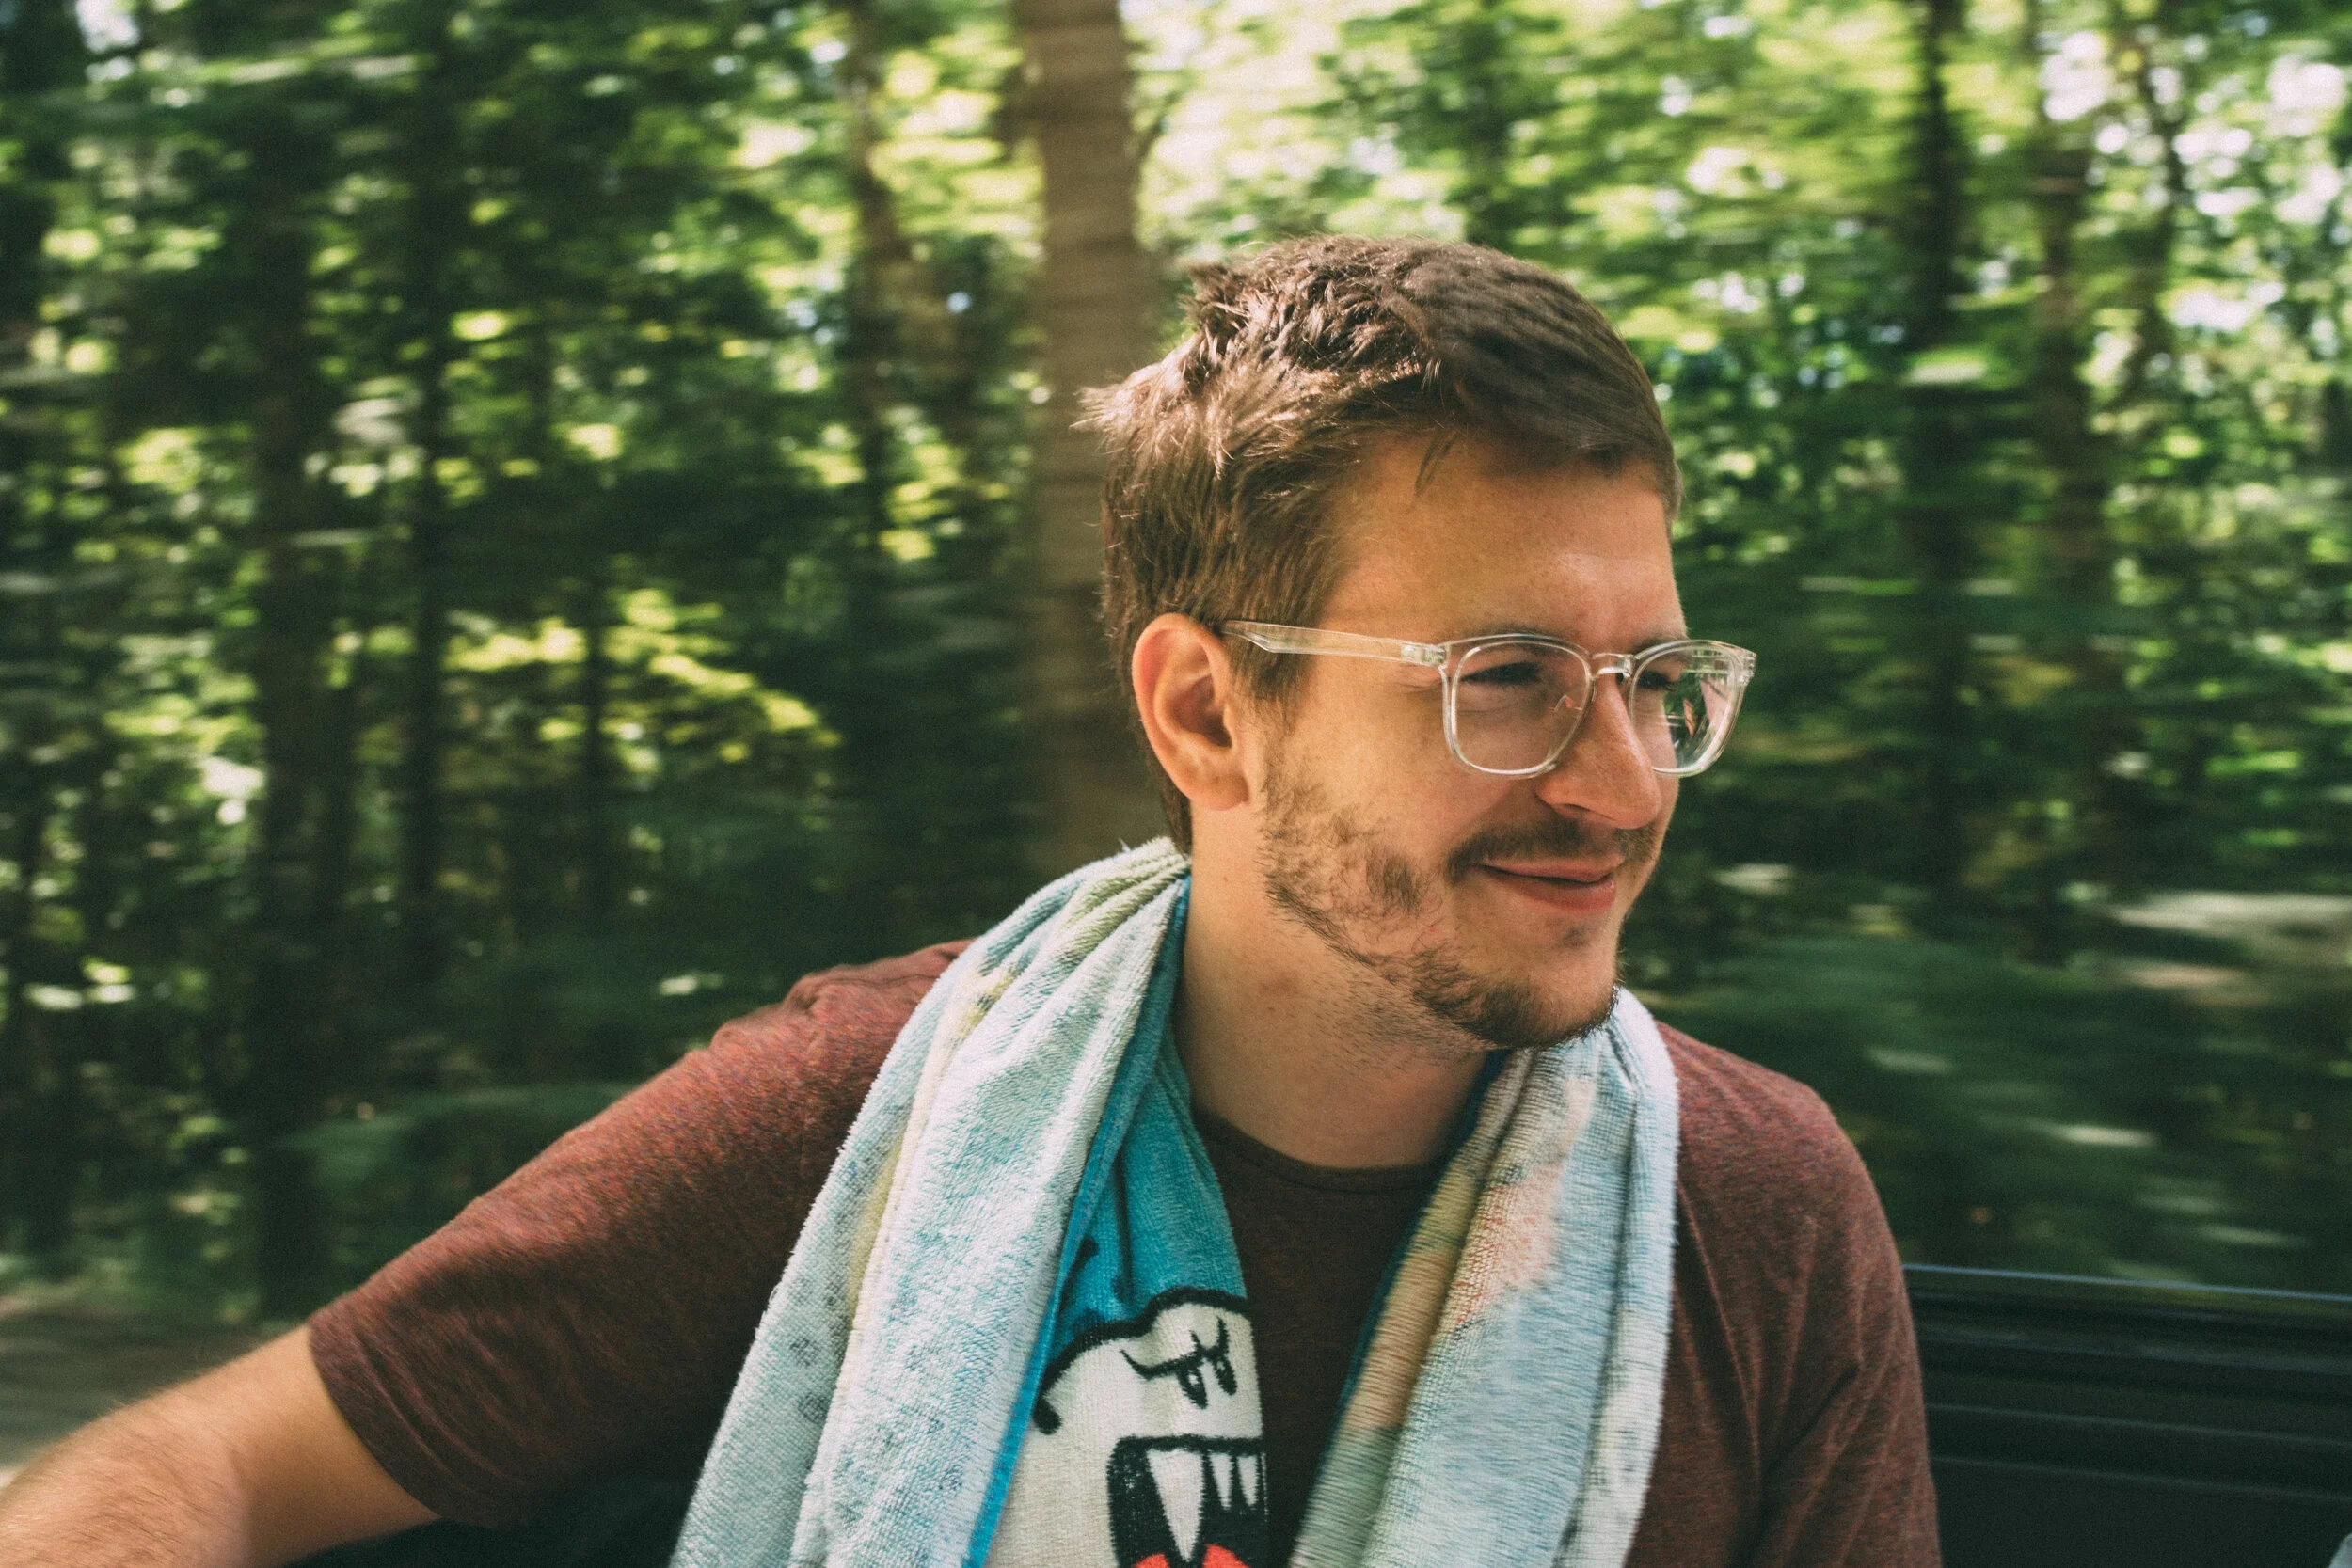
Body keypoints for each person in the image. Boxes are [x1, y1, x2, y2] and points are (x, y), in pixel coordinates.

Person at [0, 237, 1939, 1568]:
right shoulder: (868, 1110)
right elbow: (184, 1469)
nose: (1615, 783)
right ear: (1206, 711)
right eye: (1500, 679)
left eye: (1659, 684)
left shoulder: (1754, 1214)